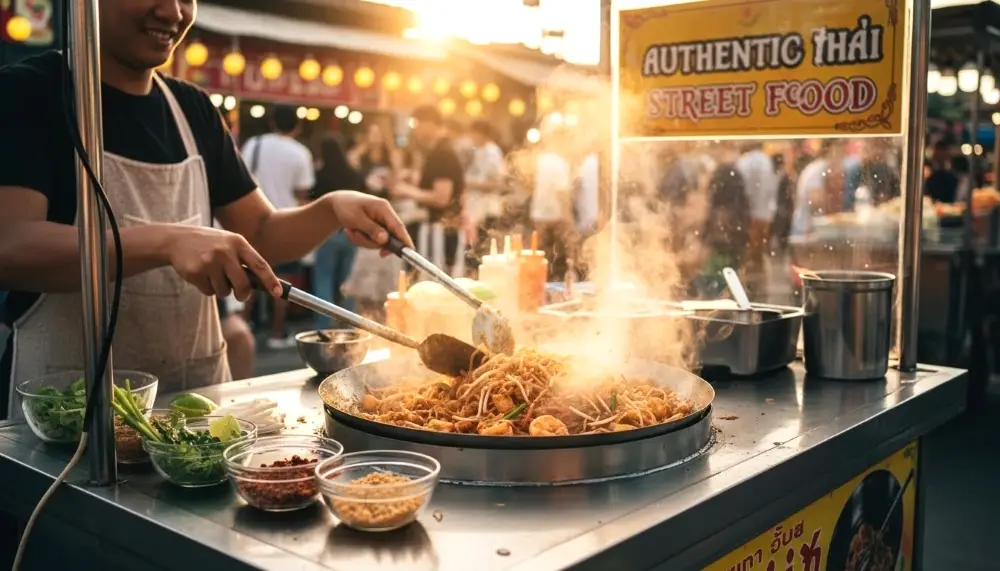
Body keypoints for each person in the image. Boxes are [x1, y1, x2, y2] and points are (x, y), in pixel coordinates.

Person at [0, 0, 412, 419]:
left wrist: (331, 209)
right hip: (67, 413)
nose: (173, 12)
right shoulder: (27, 92)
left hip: (194, 412)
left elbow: (261, 232)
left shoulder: (193, 109)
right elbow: (10, 246)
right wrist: (166, 241)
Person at [239, 104, 315, 349]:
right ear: (297, 126)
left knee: (249, 276)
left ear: (272, 122)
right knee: (282, 281)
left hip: (251, 220)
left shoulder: (254, 144)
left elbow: (241, 177)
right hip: (285, 222)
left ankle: (244, 329)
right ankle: (276, 333)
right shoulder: (300, 153)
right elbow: (302, 193)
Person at [392, 105, 465, 275]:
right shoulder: (440, 150)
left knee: (436, 281)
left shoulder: (442, 153)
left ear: (429, 124)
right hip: (442, 227)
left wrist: (406, 190)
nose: (415, 131)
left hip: (441, 229)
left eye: (417, 124)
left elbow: (441, 198)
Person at [311, 134, 364, 329]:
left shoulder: (319, 175)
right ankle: (349, 324)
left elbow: (312, 202)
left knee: (323, 278)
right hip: (351, 231)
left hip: (327, 232)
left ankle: (324, 324)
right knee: (348, 280)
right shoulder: (353, 174)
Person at [463, 119, 506, 263]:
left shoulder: (492, 153)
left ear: (481, 134)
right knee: (473, 249)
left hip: (487, 210)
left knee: (483, 253)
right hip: (475, 209)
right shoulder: (476, 150)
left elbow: (497, 183)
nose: (471, 137)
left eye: (473, 133)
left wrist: (471, 183)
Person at [735, 142, 779, 274]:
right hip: (764, 214)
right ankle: (759, 279)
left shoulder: (742, 161)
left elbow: (742, 191)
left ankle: (750, 278)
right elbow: (770, 190)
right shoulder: (766, 161)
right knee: (760, 253)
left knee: (748, 254)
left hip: (747, 215)